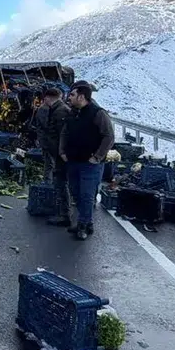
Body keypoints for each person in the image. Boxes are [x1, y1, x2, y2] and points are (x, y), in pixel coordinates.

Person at [60, 80, 114, 241]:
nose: (69, 97)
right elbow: (65, 132)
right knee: (75, 192)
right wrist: (62, 151)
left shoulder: (98, 113)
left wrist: (97, 157)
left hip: (90, 164)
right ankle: (87, 222)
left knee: (86, 194)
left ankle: (83, 225)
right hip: (73, 160)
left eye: (72, 95)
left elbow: (109, 136)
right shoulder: (72, 113)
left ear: (82, 96)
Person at [30, 84, 73, 226]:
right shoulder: (57, 109)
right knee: (59, 180)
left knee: (61, 182)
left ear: (48, 98)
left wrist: (60, 152)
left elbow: (63, 135)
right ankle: (63, 211)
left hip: (60, 153)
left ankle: (64, 214)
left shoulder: (60, 111)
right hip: (57, 151)